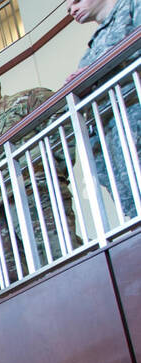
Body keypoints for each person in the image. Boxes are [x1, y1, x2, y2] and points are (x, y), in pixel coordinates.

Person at [0, 71, 77, 279]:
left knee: (60, 260)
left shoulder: (28, 100)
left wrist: (52, 170)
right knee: (11, 282)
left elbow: (64, 127)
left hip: (34, 194)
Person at [67, 0, 141, 219]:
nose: (72, 10)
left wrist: (92, 72)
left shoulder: (131, 6)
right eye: (68, 8)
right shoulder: (94, 45)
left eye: (76, 1)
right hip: (112, 131)